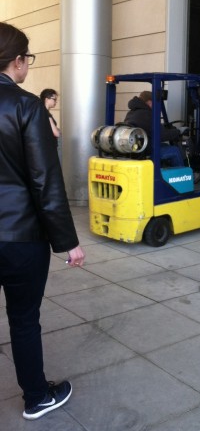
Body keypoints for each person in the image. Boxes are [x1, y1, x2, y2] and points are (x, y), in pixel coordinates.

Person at [0, 22, 85, 420]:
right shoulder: (26, 105)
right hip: (20, 237)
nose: (27, 67)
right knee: (23, 319)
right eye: (27, 59)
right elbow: (45, 181)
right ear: (17, 62)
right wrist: (68, 241)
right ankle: (36, 397)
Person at [124, 90, 183, 166]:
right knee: (174, 151)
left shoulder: (132, 112)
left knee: (165, 146)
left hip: (137, 147)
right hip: (145, 151)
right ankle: (180, 176)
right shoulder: (147, 114)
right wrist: (178, 132)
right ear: (150, 102)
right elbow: (161, 135)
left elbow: (149, 128)